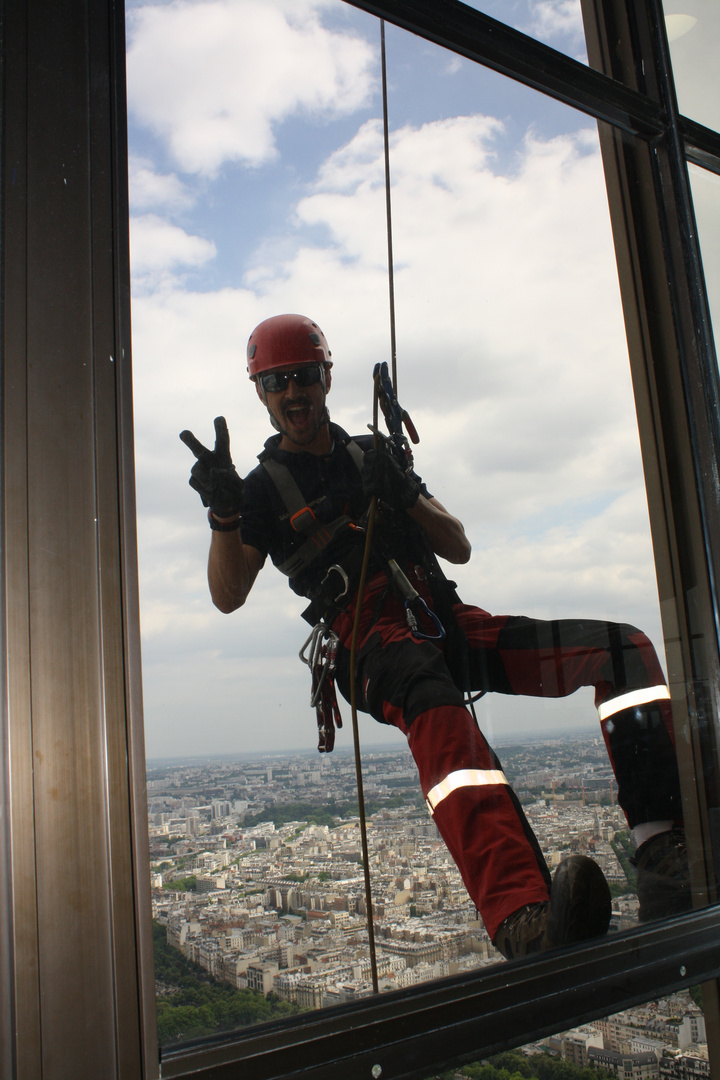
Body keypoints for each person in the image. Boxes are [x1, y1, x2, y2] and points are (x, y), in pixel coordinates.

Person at [180, 313, 691, 961]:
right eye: (277, 381)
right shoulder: (260, 491)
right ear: (260, 393)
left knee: (621, 650)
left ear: (325, 377)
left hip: (445, 620)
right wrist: (224, 515)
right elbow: (228, 595)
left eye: (303, 376)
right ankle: (522, 917)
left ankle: (661, 846)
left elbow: (458, 545)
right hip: (369, 643)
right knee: (437, 709)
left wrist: (404, 495)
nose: (293, 392)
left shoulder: (373, 453)